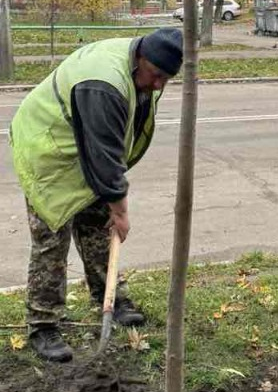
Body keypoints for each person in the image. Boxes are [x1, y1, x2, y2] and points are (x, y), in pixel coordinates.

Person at [9, 27, 183, 363]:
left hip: (83, 150)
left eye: (167, 78)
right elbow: (103, 156)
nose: (160, 85)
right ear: (141, 60)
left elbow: (107, 150)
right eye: (157, 75)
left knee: (97, 228)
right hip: (50, 152)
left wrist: (110, 203)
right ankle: (43, 324)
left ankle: (110, 298)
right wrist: (120, 208)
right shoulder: (103, 85)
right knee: (51, 241)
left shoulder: (138, 64)